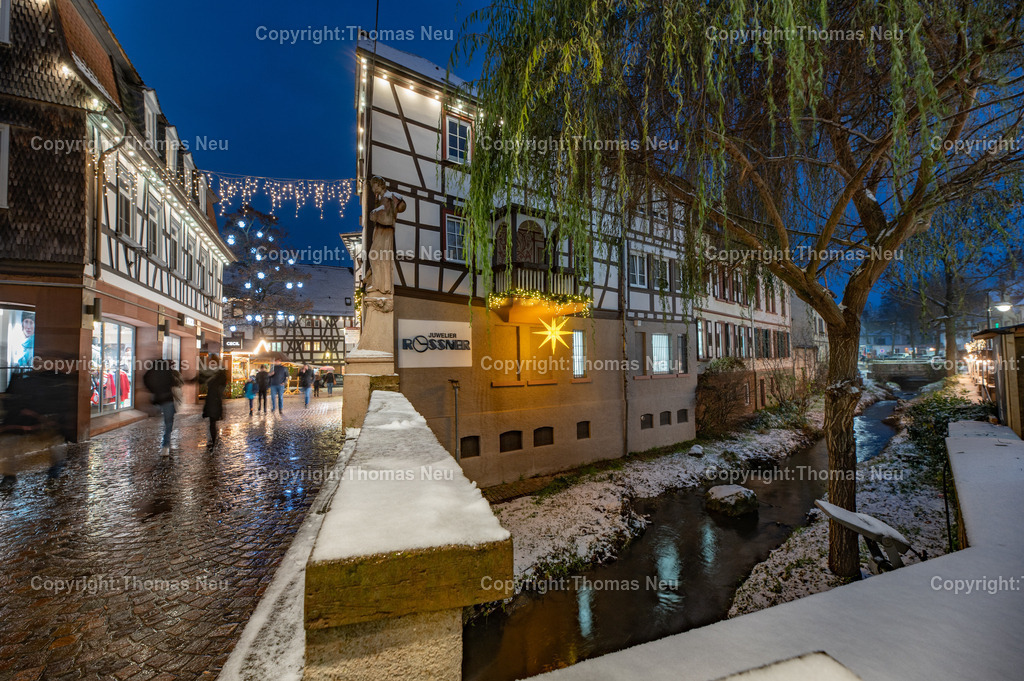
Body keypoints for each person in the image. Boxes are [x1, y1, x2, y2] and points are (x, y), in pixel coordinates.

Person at [143, 359, 183, 456]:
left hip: (157, 399)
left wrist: (152, 390)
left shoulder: (151, 371)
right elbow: (176, 383)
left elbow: (145, 379)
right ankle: (165, 446)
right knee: (168, 423)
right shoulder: (168, 371)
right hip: (167, 399)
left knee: (164, 421)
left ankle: (164, 444)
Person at [199, 355, 228, 447]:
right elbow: (200, 380)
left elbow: (201, 380)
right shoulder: (219, 372)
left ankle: (213, 440)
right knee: (212, 421)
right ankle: (213, 439)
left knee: (212, 421)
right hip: (214, 398)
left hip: (213, 398)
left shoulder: (214, 373)